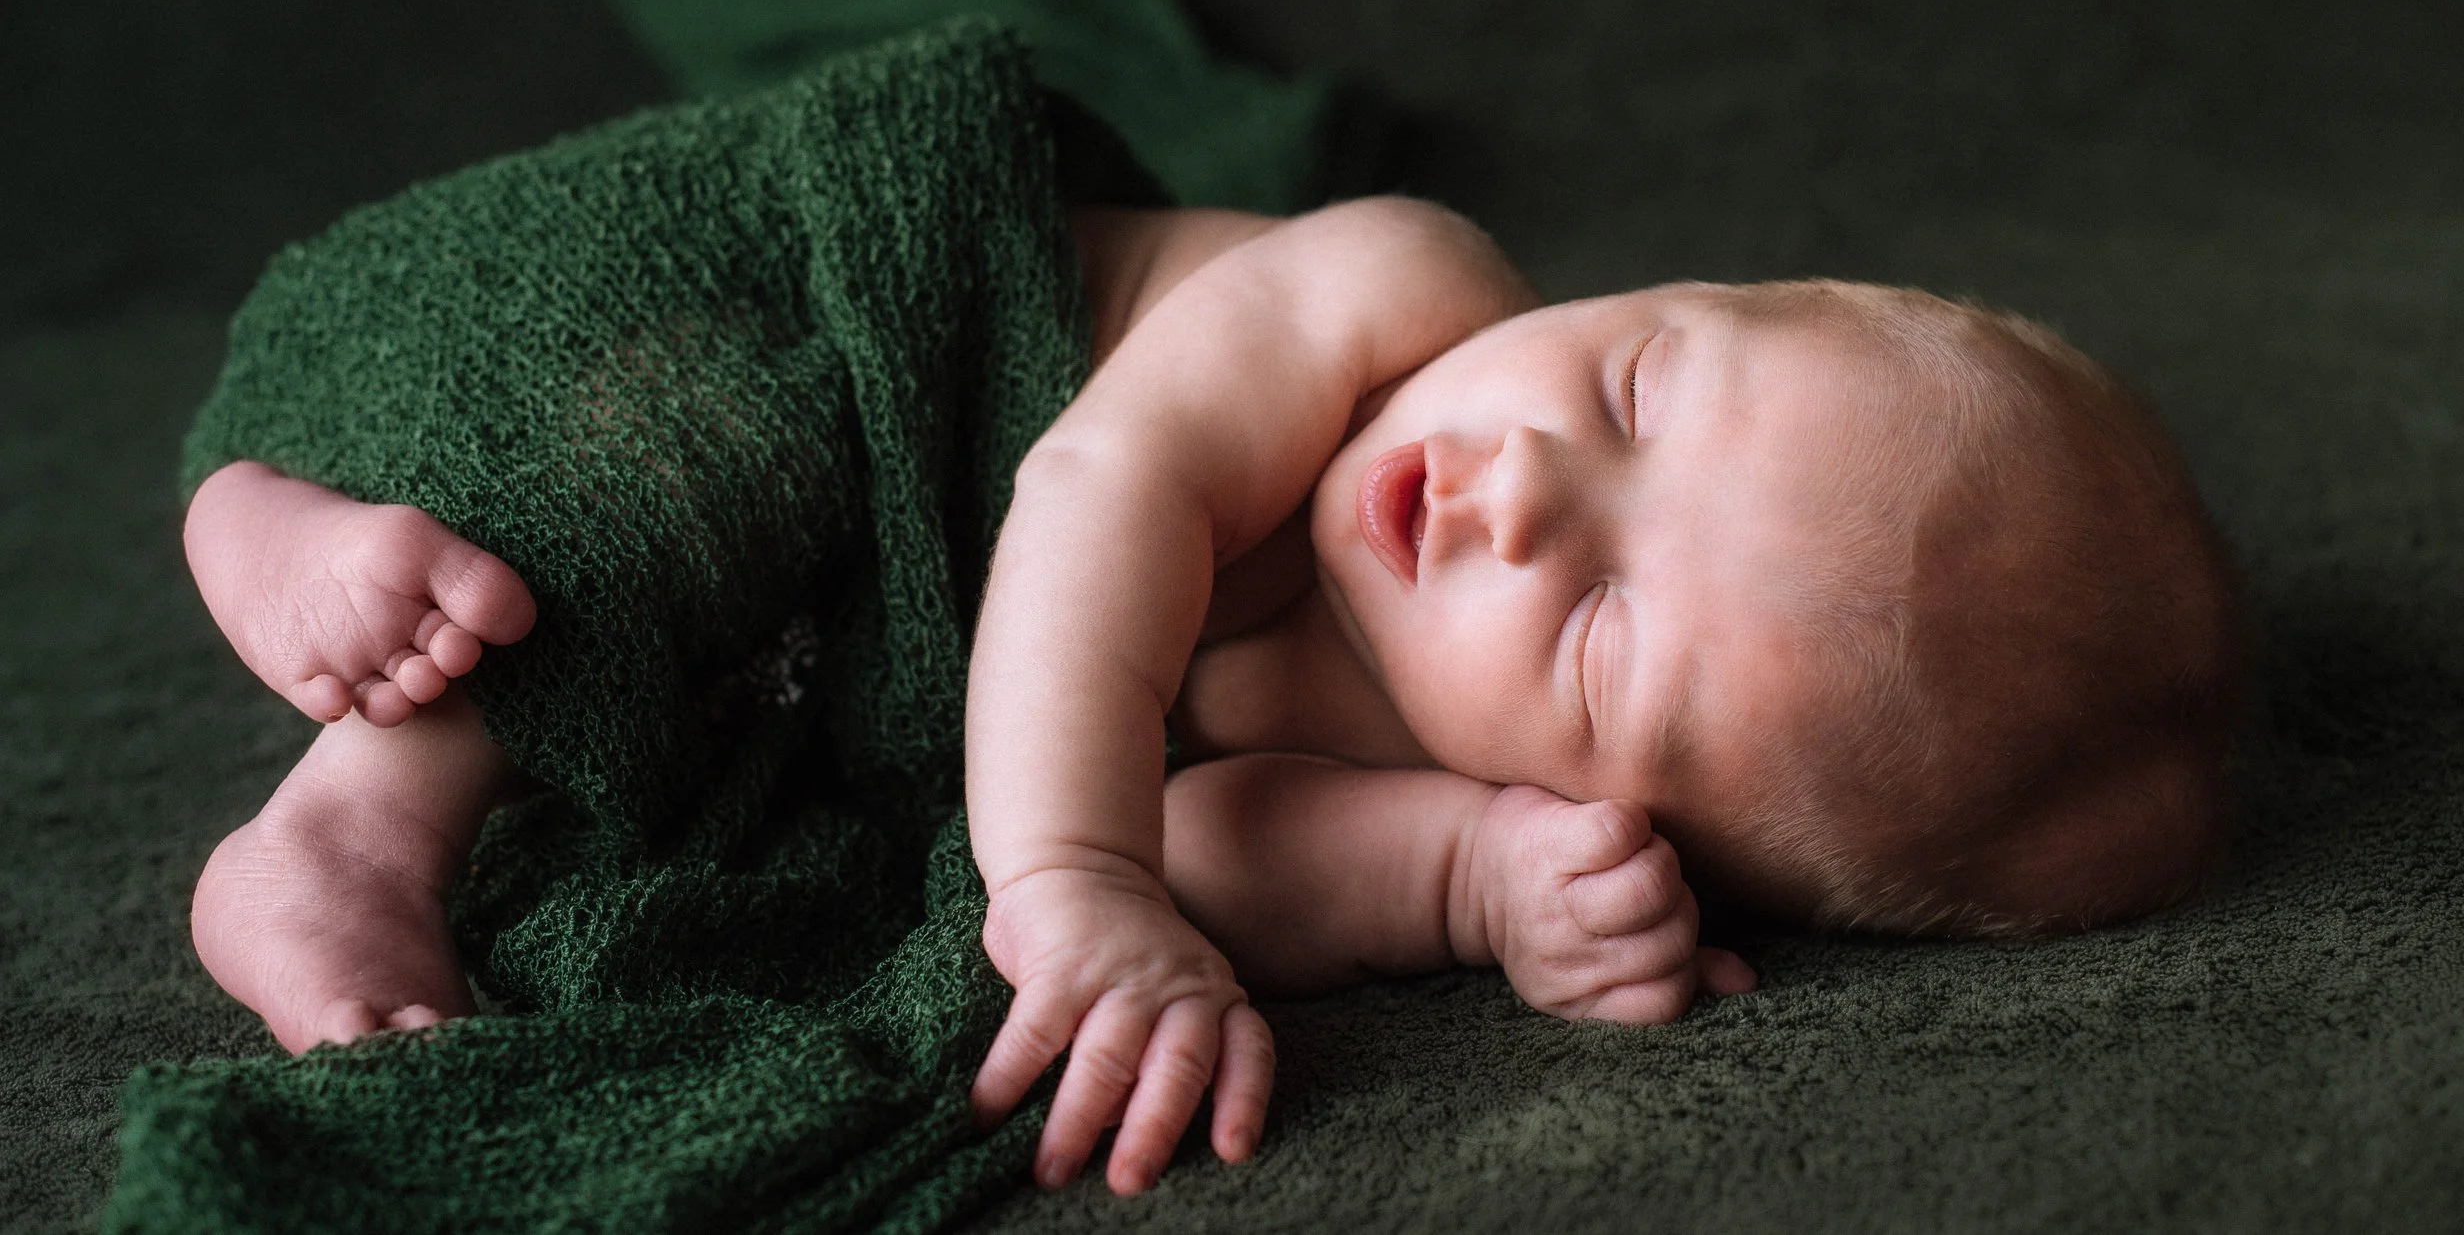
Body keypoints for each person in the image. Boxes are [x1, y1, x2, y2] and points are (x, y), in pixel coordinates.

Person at [181, 196, 2248, 1198]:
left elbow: (1212, 858)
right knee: (681, 482)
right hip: (788, 324)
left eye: (1604, 635)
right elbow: (1101, 485)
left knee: (689, 696)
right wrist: (1067, 875)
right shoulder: (1392, 295)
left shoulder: (1421, 747)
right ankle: (312, 704)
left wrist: (1475, 885)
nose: (1521, 487)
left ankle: (366, 763)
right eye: (1628, 386)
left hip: (822, 632)